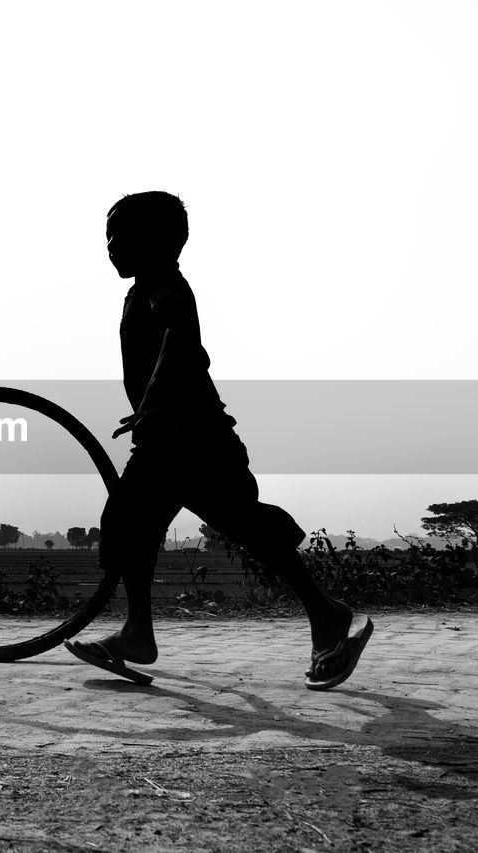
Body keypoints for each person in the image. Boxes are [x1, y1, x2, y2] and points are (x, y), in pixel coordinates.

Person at [64, 191, 372, 690]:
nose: (111, 247)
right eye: (109, 238)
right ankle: (138, 632)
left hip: (196, 439)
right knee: (130, 522)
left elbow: (176, 335)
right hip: (167, 441)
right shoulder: (143, 287)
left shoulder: (164, 288)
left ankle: (327, 615)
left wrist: (149, 403)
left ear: (157, 242)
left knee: (242, 526)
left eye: (120, 236)